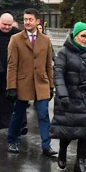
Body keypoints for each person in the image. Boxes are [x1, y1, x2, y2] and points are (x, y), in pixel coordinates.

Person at [49, 22, 86, 172]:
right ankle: (62, 151)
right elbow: (58, 73)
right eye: (83, 36)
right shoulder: (64, 52)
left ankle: (80, 163)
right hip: (69, 98)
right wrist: (63, 94)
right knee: (68, 131)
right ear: (75, 35)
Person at [6, 9, 56, 156]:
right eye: (25, 19)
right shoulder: (16, 39)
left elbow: (48, 65)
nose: (27, 22)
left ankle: (46, 146)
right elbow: (12, 65)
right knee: (18, 114)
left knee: (43, 115)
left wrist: (51, 85)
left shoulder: (45, 40)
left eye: (30, 19)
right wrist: (11, 87)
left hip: (41, 83)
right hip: (22, 84)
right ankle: (12, 140)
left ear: (37, 21)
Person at [0, 13, 21, 136]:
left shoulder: (17, 33)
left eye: (9, 25)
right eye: (4, 24)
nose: (7, 27)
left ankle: (15, 125)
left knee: (11, 99)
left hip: (11, 72)